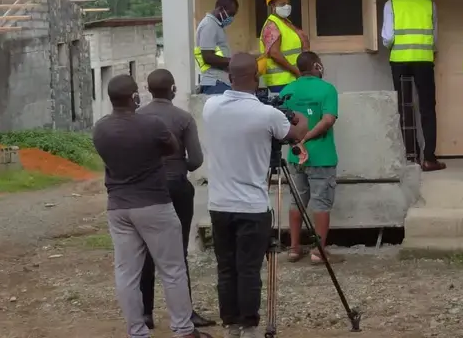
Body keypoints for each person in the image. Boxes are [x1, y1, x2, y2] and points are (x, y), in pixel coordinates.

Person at [92, 75, 211, 338]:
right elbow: (173, 148)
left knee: (126, 272)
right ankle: (182, 328)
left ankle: (137, 330)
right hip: (154, 204)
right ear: (134, 96)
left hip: (118, 207)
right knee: (172, 267)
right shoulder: (152, 125)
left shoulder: (100, 128)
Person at [203, 53, 309, 338]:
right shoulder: (268, 115)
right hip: (252, 206)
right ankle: (249, 327)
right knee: (248, 269)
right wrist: (294, 116)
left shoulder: (210, 107)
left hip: (219, 204)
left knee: (226, 269)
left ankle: (231, 326)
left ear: (229, 78)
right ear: (257, 79)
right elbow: (298, 132)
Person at [136, 69, 216, 329]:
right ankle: (186, 313)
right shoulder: (182, 118)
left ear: (148, 89)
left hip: (144, 190)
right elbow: (195, 160)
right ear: (172, 89)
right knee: (177, 252)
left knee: (145, 250)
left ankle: (145, 313)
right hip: (176, 187)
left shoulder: (137, 117)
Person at [381, 0, 446, 172]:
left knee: (404, 107)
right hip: (424, 61)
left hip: (399, 61)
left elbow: (388, 38)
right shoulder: (430, 4)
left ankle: (411, 157)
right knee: (427, 108)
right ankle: (429, 158)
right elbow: (434, 39)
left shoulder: (391, 3)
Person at [279, 51, 341, 264]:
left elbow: (281, 123)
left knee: (297, 201)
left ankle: (294, 249)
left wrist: (298, 141)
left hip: (295, 158)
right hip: (322, 157)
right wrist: (308, 137)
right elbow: (328, 120)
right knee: (321, 203)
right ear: (316, 66)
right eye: (321, 64)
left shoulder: (288, 90)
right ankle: (318, 252)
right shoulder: (327, 89)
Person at [258, 0, 310, 94]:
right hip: (281, 81)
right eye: (282, 4)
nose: (287, 7)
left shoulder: (285, 22)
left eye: (288, 3)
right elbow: (275, 53)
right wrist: (296, 71)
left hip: (290, 79)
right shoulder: (272, 25)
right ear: (272, 6)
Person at [194, 0, 239, 95]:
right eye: (230, 14)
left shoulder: (216, 26)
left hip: (220, 81)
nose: (231, 18)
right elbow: (208, 56)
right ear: (220, 9)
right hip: (214, 83)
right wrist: (233, 62)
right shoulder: (209, 25)